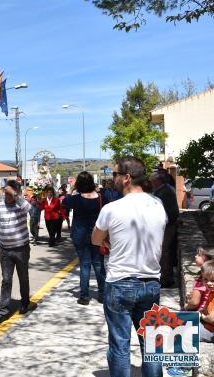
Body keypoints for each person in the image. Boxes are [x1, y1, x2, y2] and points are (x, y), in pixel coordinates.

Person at [92, 156, 167, 377]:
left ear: (126, 178)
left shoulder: (111, 208)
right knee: (151, 345)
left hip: (120, 283)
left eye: (115, 174)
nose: (112, 178)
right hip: (151, 282)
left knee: (120, 346)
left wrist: (108, 241)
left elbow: (95, 239)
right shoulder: (158, 204)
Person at [0, 180, 32, 323]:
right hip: (5, 250)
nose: (6, 194)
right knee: (6, 280)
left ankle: (25, 302)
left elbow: (30, 209)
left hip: (21, 248)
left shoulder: (20, 204)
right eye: (5, 191)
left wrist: (15, 194)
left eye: (9, 192)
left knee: (23, 277)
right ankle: (3, 311)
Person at [63, 172, 106, 305]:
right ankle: (103, 294)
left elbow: (64, 202)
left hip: (80, 235)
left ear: (78, 184)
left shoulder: (75, 199)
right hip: (97, 234)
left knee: (85, 265)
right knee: (98, 264)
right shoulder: (101, 198)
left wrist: (71, 189)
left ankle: (84, 296)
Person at [151, 172, 180, 287]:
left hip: (167, 226)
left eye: (153, 180)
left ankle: (165, 279)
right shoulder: (165, 190)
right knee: (165, 252)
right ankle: (166, 277)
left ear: (158, 181)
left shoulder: (164, 191)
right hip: (168, 225)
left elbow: (168, 211)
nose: (151, 182)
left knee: (164, 252)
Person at [184, 247, 214, 312]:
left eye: (199, 255)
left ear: (207, 260)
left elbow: (194, 302)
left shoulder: (201, 278)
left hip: (201, 312)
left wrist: (185, 307)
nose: (195, 256)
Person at [197, 260, 214, 343]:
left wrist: (202, 317)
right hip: (208, 326)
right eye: (205, 279)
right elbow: (205, 310)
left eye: (213, 280)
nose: (209, 283)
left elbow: (212, 319)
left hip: (211, 331)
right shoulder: (211, 293)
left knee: (186, 331)